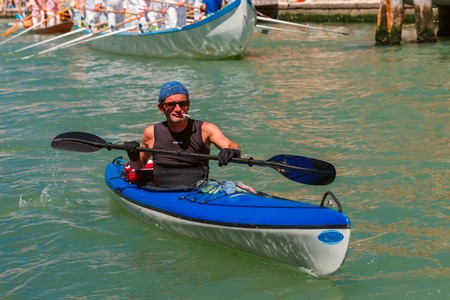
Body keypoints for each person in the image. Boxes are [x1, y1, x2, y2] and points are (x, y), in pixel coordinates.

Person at [123, 81, 241, 188]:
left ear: (188, 106)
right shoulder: (151, 132)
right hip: (161, 192)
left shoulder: (206, 129)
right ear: (161, 108)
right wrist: (133, 156)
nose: (178, 109)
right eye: (171, 105)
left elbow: (233, 145)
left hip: (196, 193)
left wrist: (232, 151)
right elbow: (138, 166)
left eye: (183, 104)